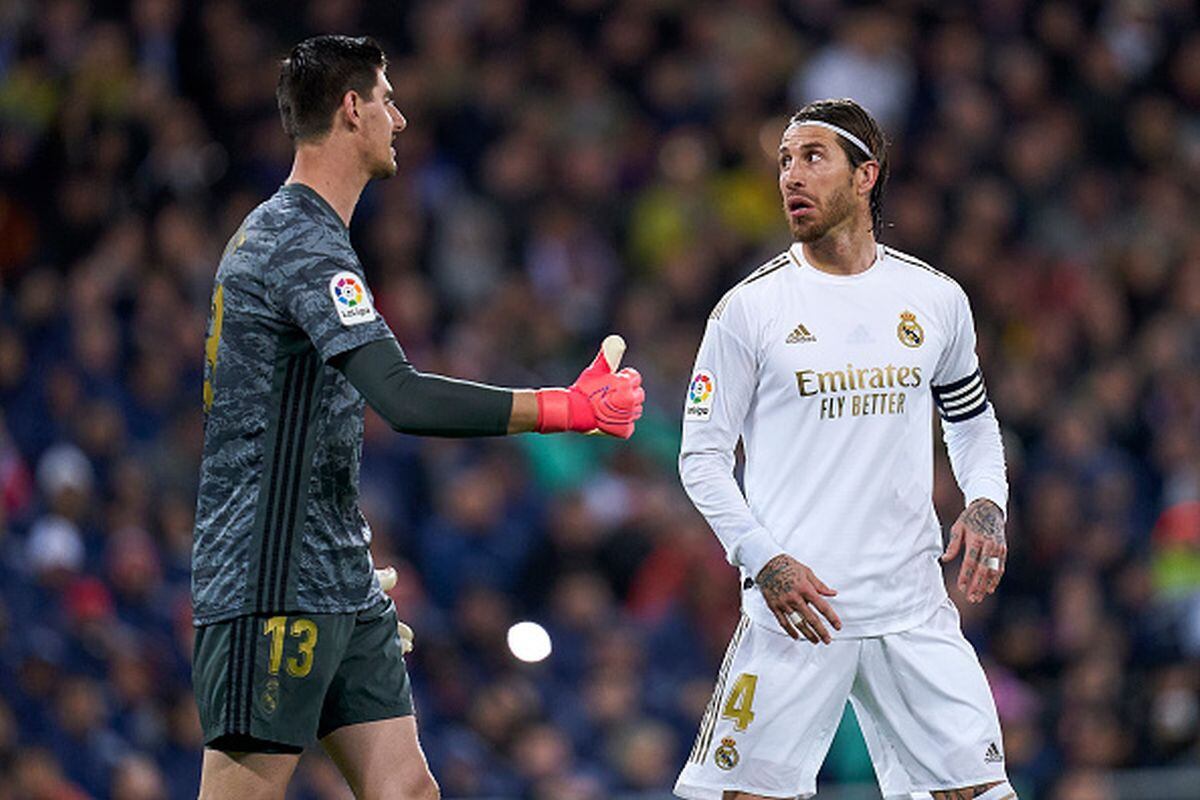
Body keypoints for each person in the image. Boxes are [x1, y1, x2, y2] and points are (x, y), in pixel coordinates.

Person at [191, 35, 644, 800]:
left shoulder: (304, 235)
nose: (400, 119)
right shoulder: (296, 241)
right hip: (268, 586)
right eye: (389, 100)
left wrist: (336, 564)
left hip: (332, 577)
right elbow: (398, 397)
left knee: (408, 792)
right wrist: (564, 408)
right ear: (351, 109)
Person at [674, 98, 1016, 800]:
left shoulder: (934, 298)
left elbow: (971, 419)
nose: (791, 176)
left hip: (911, 606)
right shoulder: (750, 310)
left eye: (812, 157)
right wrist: (762, 559)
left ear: (866, 176)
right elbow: (700, 458)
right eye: (784, 161)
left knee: (977, 792)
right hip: (797, 613)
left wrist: (986, 503)